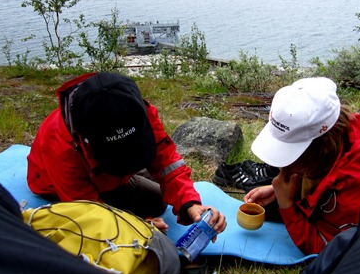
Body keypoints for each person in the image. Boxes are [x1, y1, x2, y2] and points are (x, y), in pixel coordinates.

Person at [26, 72, 226, 236]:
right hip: (58, 186)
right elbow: (86, 209)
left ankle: (127, 179)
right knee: (132, 217)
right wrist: (134, 226)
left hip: (112, 176)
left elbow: (167, 161)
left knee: (157, 202)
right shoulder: (60, 144)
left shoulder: (133, 109)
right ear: (87, 139)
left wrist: (190, 204)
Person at [243, 77, 360, 255]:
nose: (284, 167)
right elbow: (319, 176)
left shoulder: (354, 191)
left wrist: (287, 204)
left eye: (292, 155)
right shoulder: (333, 143)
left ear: (324, 145)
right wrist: (276, 191)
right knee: (257, 193)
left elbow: (327, 249)